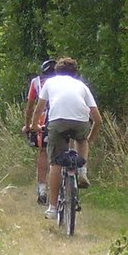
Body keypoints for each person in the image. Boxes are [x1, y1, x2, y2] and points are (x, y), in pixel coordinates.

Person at [38, 57, 102, 217]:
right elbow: (98, 119)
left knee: (56, 165)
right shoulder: (82, 86)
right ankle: (82, 170)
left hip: (57, 122)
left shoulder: (50, 83)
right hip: (81, 122)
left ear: (56, 71)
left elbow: (39, 108)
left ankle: (52, 208)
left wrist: (32, 125)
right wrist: (89, 140)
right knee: (81, 140)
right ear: (75, 73)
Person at [24, 58, 57, 204]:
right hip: (62, 117)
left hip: (43, 120)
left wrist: (28, 125)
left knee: (43, 151)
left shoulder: (36, 82)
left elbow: (30, 106)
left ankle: (42, 188)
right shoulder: (65, 81)